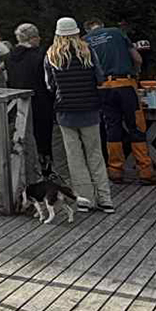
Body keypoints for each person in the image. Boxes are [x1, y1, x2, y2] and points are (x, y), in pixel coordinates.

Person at [45, 17, 113, 210]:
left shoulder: (51, 55)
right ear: (76, 32)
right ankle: (105, 199)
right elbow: (100, 78)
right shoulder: (87, 51)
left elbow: (50, 85)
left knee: (74, 158)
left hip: (65, 112)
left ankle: (85, 200)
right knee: (95, 155)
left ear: (57, 34)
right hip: (90, 109)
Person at [84, 18, 156, 185]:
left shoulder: (84, 41)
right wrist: (136, 73)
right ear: (101, 25)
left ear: (88, 29)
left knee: (112, 128)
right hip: (125, 84)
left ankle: (115, 170)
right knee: (136, 126)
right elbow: (137, 58)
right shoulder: (117, 33)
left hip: (102, 88)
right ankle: (146, 172)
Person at [4, 22, 55, 179]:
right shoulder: (40, 56)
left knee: (20, 137)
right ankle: (45, 170)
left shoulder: (8, 58)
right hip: (40, 101)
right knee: (42, 137)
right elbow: (48, 81)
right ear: (33, 38)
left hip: (16, 102)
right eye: (37, 37)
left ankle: (22, 171)